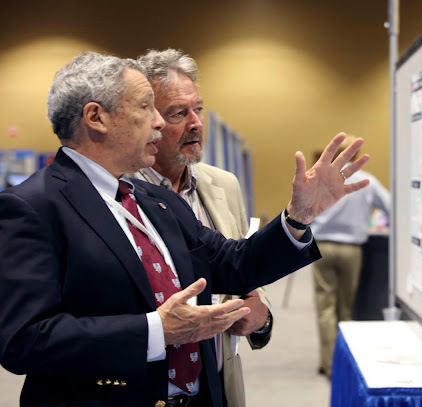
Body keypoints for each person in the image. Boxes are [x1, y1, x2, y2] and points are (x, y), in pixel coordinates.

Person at [0, 51, 370, 407]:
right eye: (146, 107)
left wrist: (298, 216)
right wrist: (156, 331)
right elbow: (24, 340)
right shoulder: (32, 206)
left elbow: (234, 263)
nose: (158, 122)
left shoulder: (150, 199)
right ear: (96, 117)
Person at [133, 48, 271, 407]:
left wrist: (260, 312)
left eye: (198, 109)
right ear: (148, 121)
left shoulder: (224, 186)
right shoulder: (120, 194)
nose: (196, 123)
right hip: (142, 388)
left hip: (214, 385)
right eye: (179, 113)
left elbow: (242, 270)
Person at [310, 135, 391, 377]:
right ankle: (345, 363)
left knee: (325, 308)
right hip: (352, 250)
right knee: (346, 308)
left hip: (321, 248)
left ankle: (328, 364)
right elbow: (391, 206)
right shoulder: (368, 181)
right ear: (355, 155)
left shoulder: (320, 179)